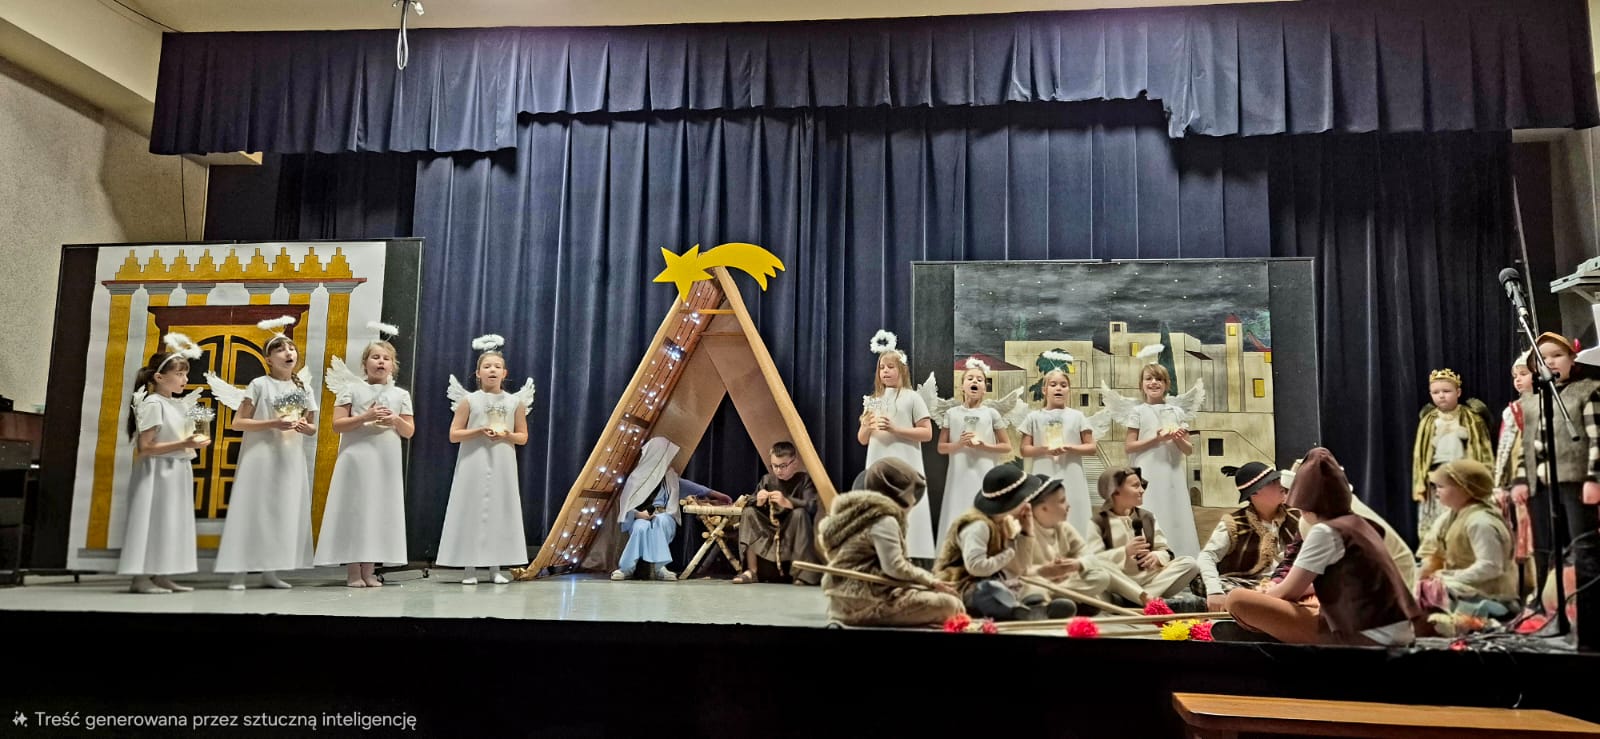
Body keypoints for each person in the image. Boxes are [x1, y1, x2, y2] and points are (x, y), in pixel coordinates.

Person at [1219, 448, 1421, 645]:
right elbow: (1326, 581)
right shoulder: (1358, 522)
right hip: (1397, 629)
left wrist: (1264, 595)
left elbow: (1287, 593)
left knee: (1237, 599)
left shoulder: (1325, 531)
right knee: (1302, 602)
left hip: (1364, 635)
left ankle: (1268, 630)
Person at [208, 316, 318, 591]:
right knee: (252, 509)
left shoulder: (303, 388)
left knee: (281, 510)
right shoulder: (259, 384)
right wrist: (272, 423)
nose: (288, 353)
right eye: (280, 349)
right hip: (259, 456)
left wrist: (304, 427)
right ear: (268, 359)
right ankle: (238, 572)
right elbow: (238, 423)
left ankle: (271, 571)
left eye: (291, 348)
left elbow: (312, 427)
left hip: (289, 457)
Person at [314, 322, 415, 587]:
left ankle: (369, 571)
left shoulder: (400, 394)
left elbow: (408, 431)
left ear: (393, 365)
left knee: (377, 511)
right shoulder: (351, 388)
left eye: (386, 358)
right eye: (375, 357)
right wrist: (365, 417)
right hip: (357, 458)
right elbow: (337, 425)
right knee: (355, 509)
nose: (380, 362)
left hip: (385, 460)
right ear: (365, 363)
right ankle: (353, 571)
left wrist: (395, 419)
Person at [816, 458, 963, 627]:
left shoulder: (860, 515)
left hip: (845, 603)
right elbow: (894, 567)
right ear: (896, 492)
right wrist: (930, 581)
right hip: (866, 602)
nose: (913, 500)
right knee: (950, 605)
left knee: (945, 600)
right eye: (911, 492)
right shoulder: (884, 520)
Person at [437, 334, 535, 585]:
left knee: (499, 509)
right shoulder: (469, 401)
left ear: (505, 373)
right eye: (487, 366)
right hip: (474, 460)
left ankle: (495, 568)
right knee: (471, 508)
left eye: (497, 366)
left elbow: (522, 437)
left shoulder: (515, 402)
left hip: (502, 462)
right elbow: (454, 434)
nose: (492, 370)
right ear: (478, 373)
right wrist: (479, 431)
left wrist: (506, 435)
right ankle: (469, 568)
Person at [117, 335, 208, 594]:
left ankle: (161, 574)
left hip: (176, 469)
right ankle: (140, 578)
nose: (184, 379)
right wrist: (184, 443)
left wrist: (195, 439)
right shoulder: (153, 404)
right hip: (157, 472)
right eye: (179, 374)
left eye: (185, 374)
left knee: (169, 522)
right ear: (159, 377)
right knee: (151, 521)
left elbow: (183, 435)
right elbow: (145, 447)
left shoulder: (176, 404)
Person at [935, 466, 1075, 621]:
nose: (1028, 502)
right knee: (988, 590)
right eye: (1025, 497)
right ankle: (1020, 612)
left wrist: (1027, 532)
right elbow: (976, 567)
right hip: (963, 587)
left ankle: (1033, 608)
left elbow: (1021, 569)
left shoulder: (1004, 522)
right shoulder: (978, 526)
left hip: (999, 581)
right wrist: (1008, 553)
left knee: (1030, 584)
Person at [857, 329, 936, 559]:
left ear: (902, 369)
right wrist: (867, 426)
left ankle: (912, 551)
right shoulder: (873, 400)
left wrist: (895, 429)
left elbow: (927, 433)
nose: (885, 371)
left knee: (906, 501)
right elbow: (862, 439)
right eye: (882, 367)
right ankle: (879, 551)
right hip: (878, 460)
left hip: (905, 461)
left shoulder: (913, 398)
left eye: (890, 367)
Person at [1084, 467, 1203, 610]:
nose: (1141, 490)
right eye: (1135, 486)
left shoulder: (1147, 517)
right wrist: (1125, 551)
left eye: (1141, 486)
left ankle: (1132, 601)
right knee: (1099, 567)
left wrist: (1156, 556)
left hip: (1149, 578)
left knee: (1190, 563)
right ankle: (1142, 597)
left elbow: (1165, 551)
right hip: (1119, 581)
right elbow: (1094, 560)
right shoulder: (1099, 522)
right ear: (1115, 491)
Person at [1416, 460, 1518, 618]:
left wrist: (1449, 577)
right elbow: (1432, 555)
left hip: (1493, 597)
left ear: (1464, 489)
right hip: (1467, 590)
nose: (1436, 492)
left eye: (1441, 487)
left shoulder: (1480, 521)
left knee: (1434, 591)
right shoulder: (1450, 517)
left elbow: (1490, 567)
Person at [1198, 462, 1302, 611]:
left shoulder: (1297, 517)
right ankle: (1262, 600)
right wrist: (1214, 591)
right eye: (1272, 482)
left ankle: (1264, 600)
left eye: (1278, 479)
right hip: (1250, 584)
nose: (1280, 484)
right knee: (1201, 582)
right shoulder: (1234, 523)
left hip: (1287, 581)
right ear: (1254, 493)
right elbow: (1207, 556)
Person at [1122, 359, 1200, 558]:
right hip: (1146, 472)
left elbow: (1188, 450)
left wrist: (1178, 439)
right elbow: (1129, 446)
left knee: (1174, 512)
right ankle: (1148, 556)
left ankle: (1181, 555)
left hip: (1171, 472)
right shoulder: (1138, 412)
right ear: (1141, 384)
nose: (1154, 383)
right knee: (1149, 509)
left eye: (1159, 379)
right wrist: (1156, 439)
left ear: (1166, 384)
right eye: (1149, 379)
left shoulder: (1177, 412)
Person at [935, 358, 1015, 550]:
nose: (975, 382)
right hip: (959, 474)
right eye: (970, 378)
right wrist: (959, 444)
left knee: (983, 510)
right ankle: (953, 552)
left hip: (984, 474)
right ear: (962, 386)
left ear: (985, 388)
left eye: (980, 379)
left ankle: (986, 550)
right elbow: (941, 447)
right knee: (958, 509)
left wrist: (984, 446)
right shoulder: (952, 414)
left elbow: (1006, 446)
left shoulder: (991, 414)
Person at [1411, 368, 1493, 540]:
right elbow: (1421, 454)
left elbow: (1481, 447)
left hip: (1462, 476)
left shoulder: (1471, 418)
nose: (1441, 396)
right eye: (1436, 392)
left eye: (1446, 391)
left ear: (1458, 392)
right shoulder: (1428, 420)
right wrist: (1422, 481)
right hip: (1437, 476)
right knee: (1438, 519)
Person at [1018, 355, 1095, 538]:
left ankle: (1077, 547)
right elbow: (1024, 449)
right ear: (1044, 390)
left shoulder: (1077, 417)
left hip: (1072, 472)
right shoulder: (1033, 417)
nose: (1058, 388)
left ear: (1069, 390)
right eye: (1053, 385)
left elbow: (1091, 447)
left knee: (1074, 511)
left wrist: (1070, 448)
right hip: (1044, 472)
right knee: (1045, 509)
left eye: (1063, 385)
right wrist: (1044, 449)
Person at [1018, 475, 1113, 612]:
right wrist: (1044, 571)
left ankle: (1053, 602)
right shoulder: (1023, 530)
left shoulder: (1064, 527)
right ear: (1043, 508)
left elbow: (1088, 555)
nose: (1068, 506)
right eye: (1062, 501)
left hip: (1063, 584)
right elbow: (1017, 573)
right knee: (1032, 587)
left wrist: (1076, 564)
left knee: (1101, 577)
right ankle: (1066, 601)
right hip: (1037, 583)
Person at [735, 441, 822, 585]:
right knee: (749, 512)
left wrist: (788, 502)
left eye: (783, 466)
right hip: (768, 528)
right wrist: (758, 501)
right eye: (774, 466)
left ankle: (802, 574)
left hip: (792, 529)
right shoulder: (767, 480)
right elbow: (749, 502)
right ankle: (752, 571)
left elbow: (812, 506)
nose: (778, 471)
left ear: (795, 463)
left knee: (800, 514)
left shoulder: (804, 480)